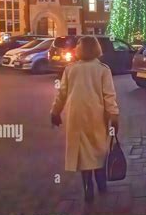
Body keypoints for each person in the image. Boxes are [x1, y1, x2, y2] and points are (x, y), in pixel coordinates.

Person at [51, 36, 120, 203]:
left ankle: (87, 186)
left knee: (82, 153)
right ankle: (101, 182)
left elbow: (62, 94)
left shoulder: (70, 69)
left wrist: (55, 112)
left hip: (76, 116)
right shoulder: (103, 70)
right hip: (97, 116)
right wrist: (114, 116)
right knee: (98, 149)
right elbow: (109, 96)